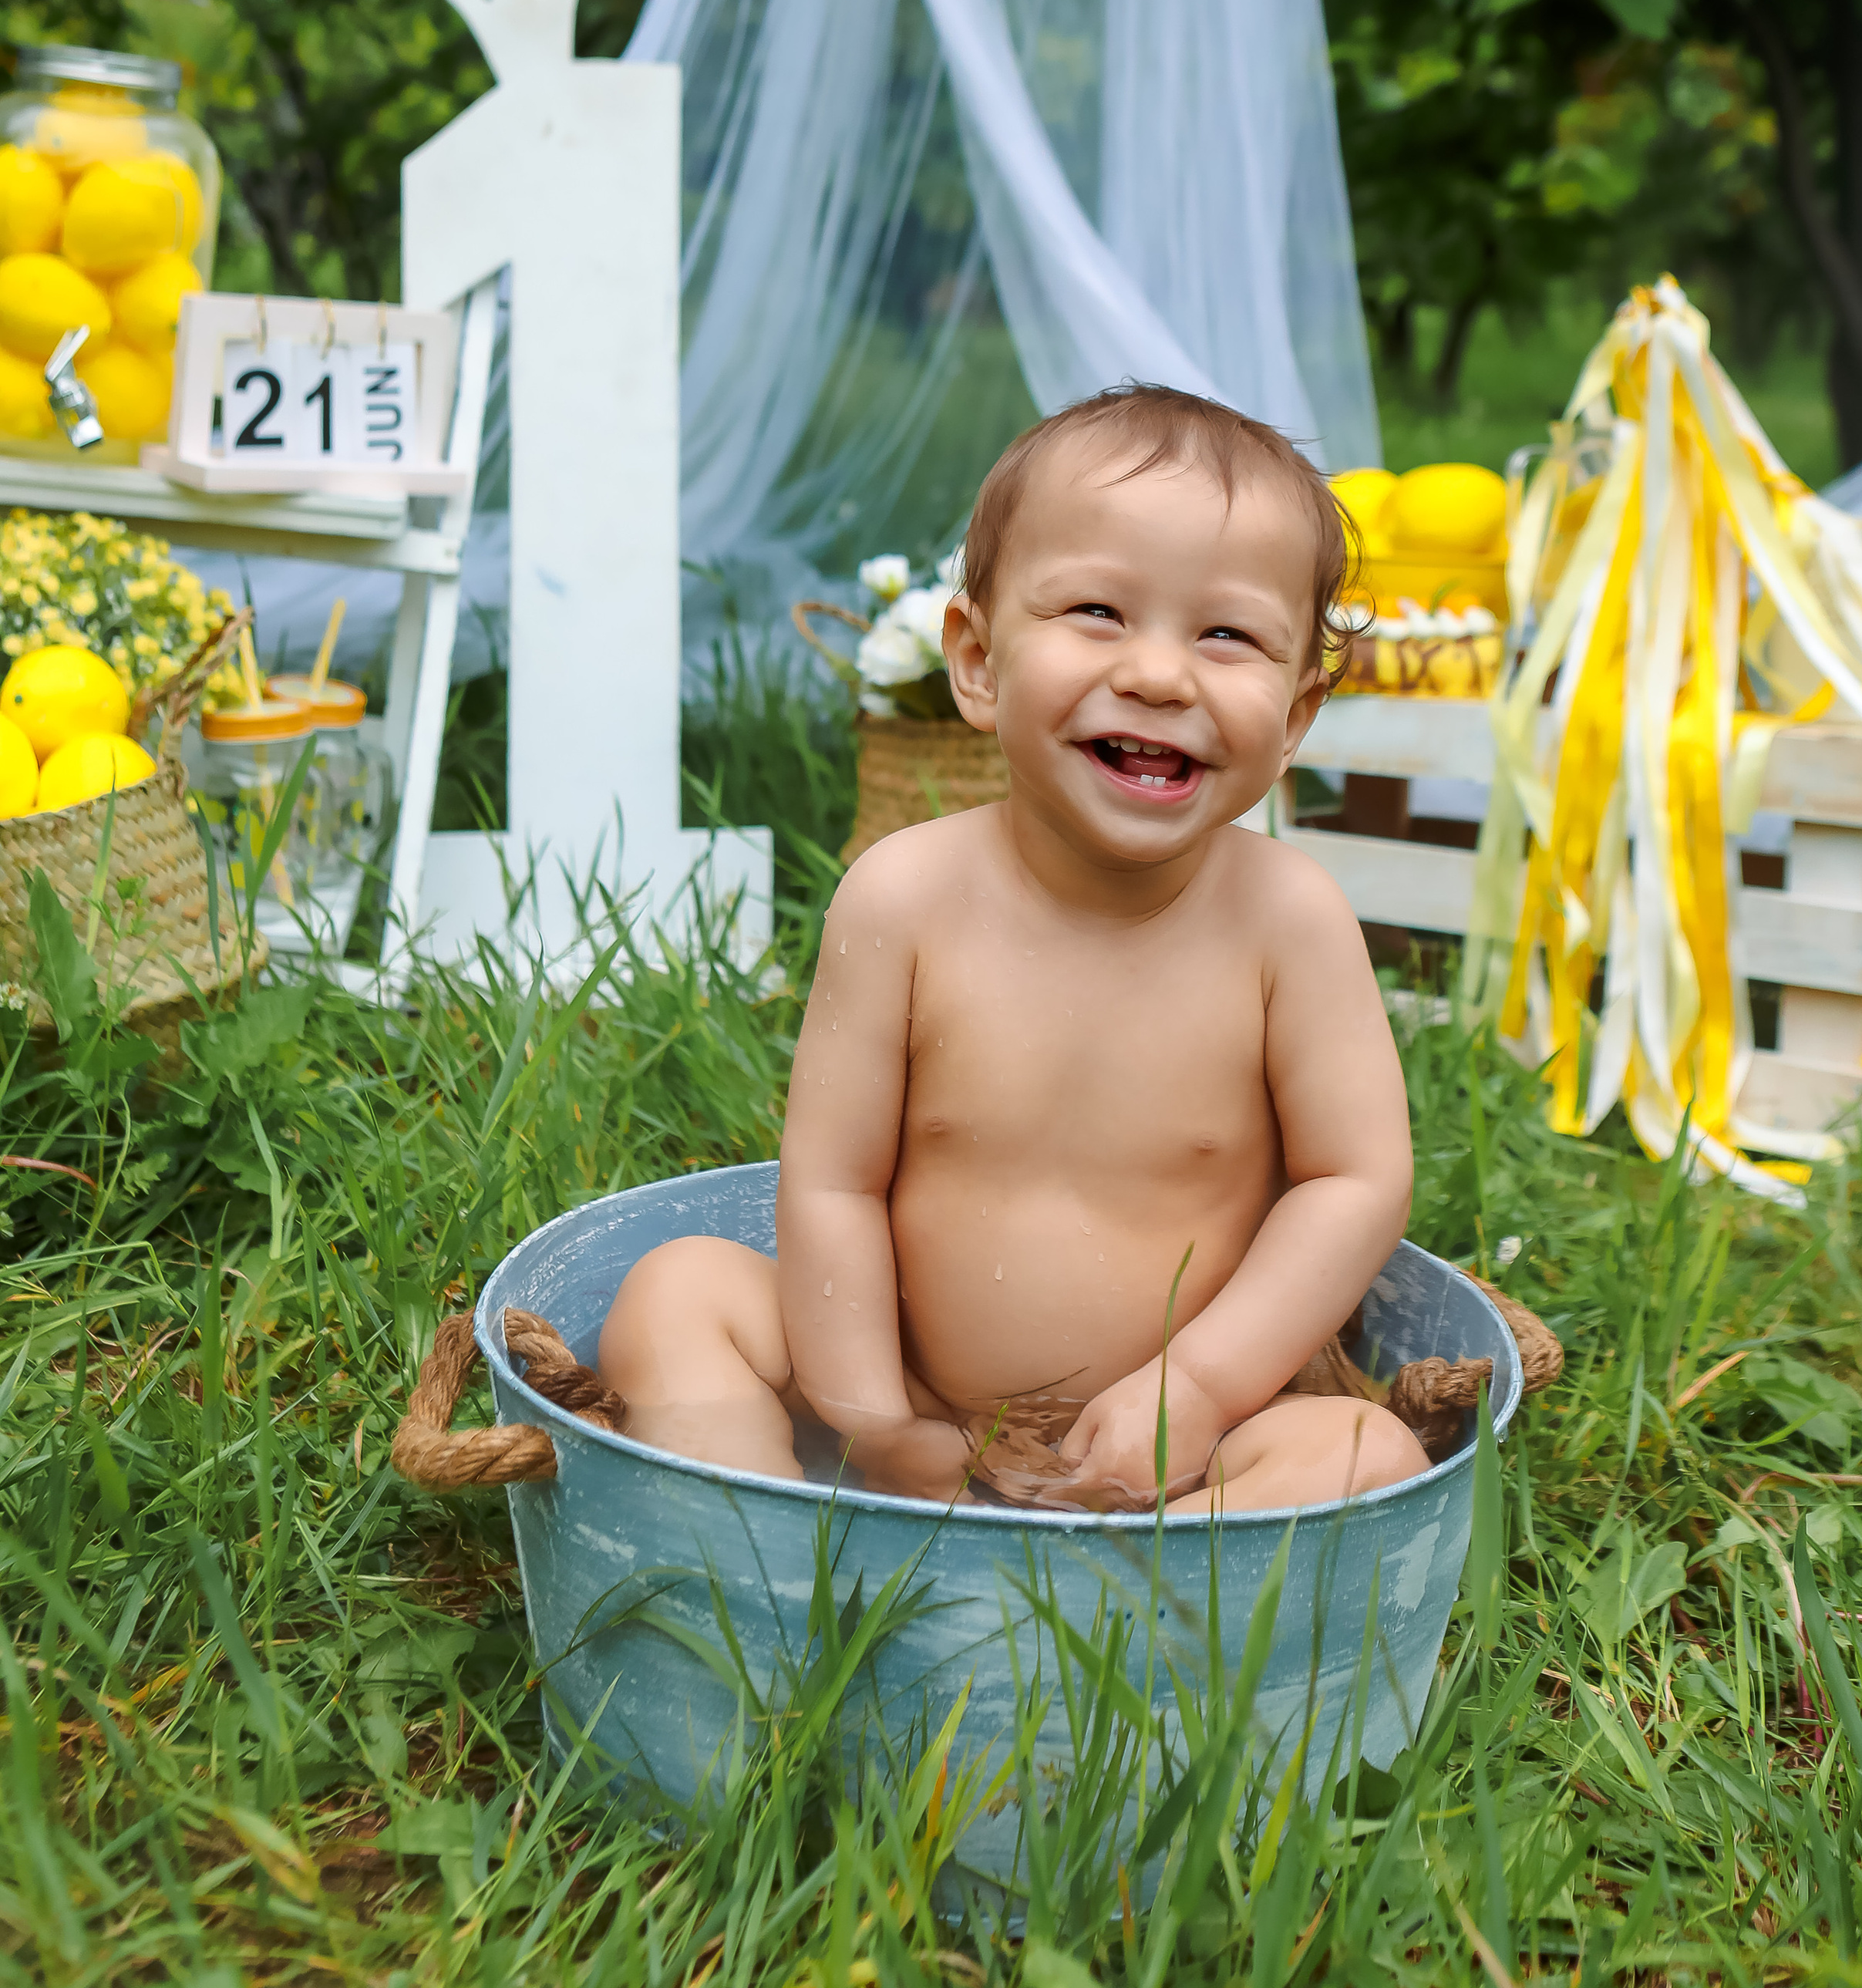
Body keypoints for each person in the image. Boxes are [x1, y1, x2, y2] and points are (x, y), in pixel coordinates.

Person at [598, 384, 1429, 1513]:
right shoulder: (903, 896)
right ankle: (761, 1565)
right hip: (916, 1398)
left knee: (1362, 1457)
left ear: (1292, 719)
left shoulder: (1289, 921)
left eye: (1227, 634)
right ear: (979, 663)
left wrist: (1198, 1387)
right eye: (1097, 610)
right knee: (675, 1292)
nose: (1159, 673)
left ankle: (1133, 1612)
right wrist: (868, 1413)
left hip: (1182, 1434)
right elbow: (836, 1182)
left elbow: (1356, 1180)